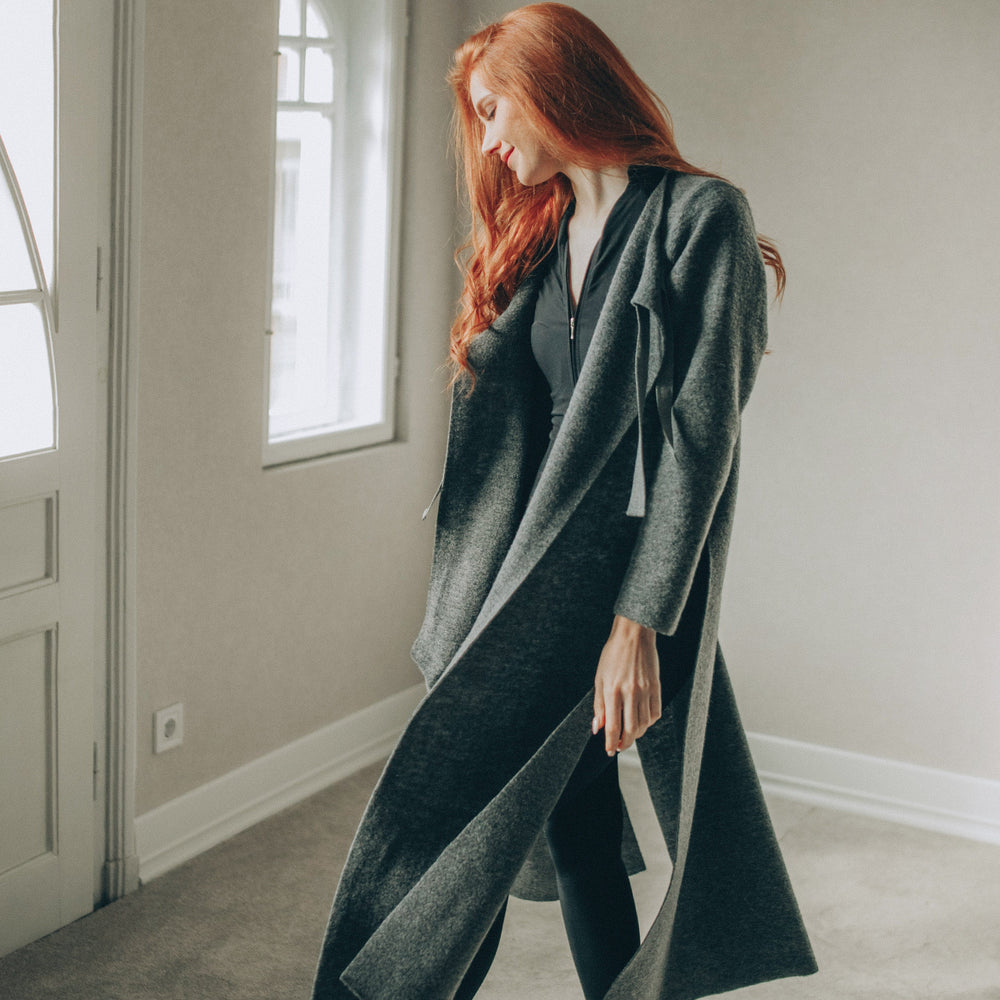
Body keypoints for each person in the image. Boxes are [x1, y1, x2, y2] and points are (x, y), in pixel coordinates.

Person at [312, 5, 816, 999]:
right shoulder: (541, 232)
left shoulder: (693, 218)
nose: (489, 138)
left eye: (495, 110)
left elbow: (698, 437)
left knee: (468, 846)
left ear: (552, 90)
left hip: (606, 591)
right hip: (509, 590)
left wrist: (639, 623)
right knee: (559, 831)